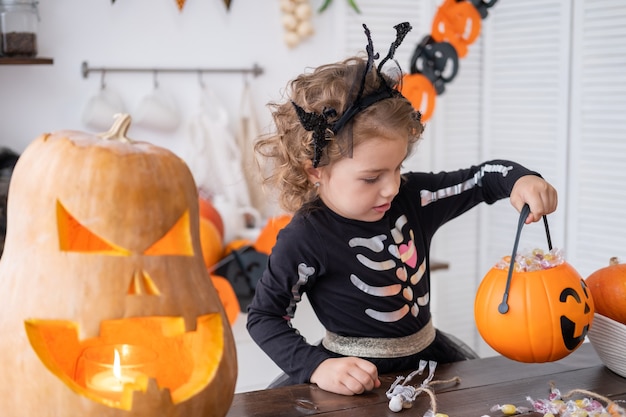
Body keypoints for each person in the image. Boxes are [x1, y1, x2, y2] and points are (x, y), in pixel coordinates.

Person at [246, 22, 558, 396]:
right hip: (354, 381)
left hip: (432, 363)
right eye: (371, 177)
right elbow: (265, 317)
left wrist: (520, 179)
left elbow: (482, 178)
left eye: (398, 167)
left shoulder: (415, 197)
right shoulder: (304, 237)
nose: (392, 186)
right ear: (317, 172)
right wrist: (317, 366)